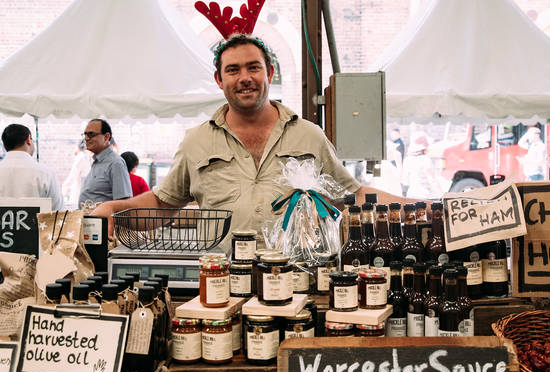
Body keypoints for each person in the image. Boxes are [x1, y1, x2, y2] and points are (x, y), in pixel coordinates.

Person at [91, 34, 415, 251]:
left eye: (253, 67)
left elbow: (351, 195)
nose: (244, 77)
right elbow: (163, 205)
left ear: (269, 73)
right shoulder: (196, 142)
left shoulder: (309, 135)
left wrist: (419, 206)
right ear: (219, 80)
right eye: (232, 70)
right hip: (221, 285)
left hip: (297, 285)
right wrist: (113, 209)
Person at [0, 124, 64, 210]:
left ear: (5, 145)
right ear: (28, 139)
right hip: (38, 223)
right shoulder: (46, 174)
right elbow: (58, 213)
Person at [78, 119, 132, 206]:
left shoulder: (115, 163)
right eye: (85, 134)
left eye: (91, 134)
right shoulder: (97, 162)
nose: (86, 138)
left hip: (103, 219)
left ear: (106, 137)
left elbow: (123, 204)